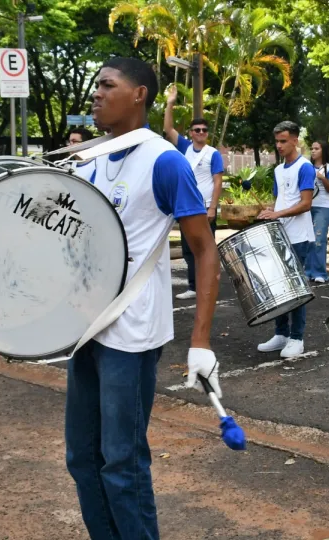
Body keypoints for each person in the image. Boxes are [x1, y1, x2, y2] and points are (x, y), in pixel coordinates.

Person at [68, 57, 222, 540]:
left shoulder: (164, 160)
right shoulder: (91, 158)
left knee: (122, 461)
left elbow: (204, 249)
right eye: (96, 85)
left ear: (139, 95)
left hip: (131, 334)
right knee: (82, 458)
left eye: (107, 85)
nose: (96, 93)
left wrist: (201, 342)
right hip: (87, 327)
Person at [256, 121, 315, 358]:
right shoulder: (279, 171)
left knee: (296, 291)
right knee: (279, 288)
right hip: (280, 235)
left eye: (283, 141)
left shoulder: (306, 167)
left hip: (300, 238)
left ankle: (297, 338)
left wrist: (277, 214)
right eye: (277, 141)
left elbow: (305, 203)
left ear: (295, 140)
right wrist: (270, 211)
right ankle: (281, 334)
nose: (279, 146)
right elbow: (280, 200)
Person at [163, 85, 225, 300]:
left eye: (204, 130)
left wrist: (213, 207)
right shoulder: (184, 147)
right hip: (187, 207)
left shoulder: (213, 154)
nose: (200, 133)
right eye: (197, 130)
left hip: (205, 207)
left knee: (206, 248)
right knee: (189, 249)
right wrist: (170, 103)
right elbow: (168, 129)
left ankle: (208, 285)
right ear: (191, 133)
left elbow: (218, 182)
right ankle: (193, 286)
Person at [305, 140, 329, 284]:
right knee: (307, 239)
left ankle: (320, 273)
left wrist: (322, 177)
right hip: (307, 206)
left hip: (323, 207)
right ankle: (307, 272)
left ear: (323, 151)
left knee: (319, 240)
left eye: (316, 148)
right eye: (312, 148)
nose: (313, 151)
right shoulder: (307, 167)